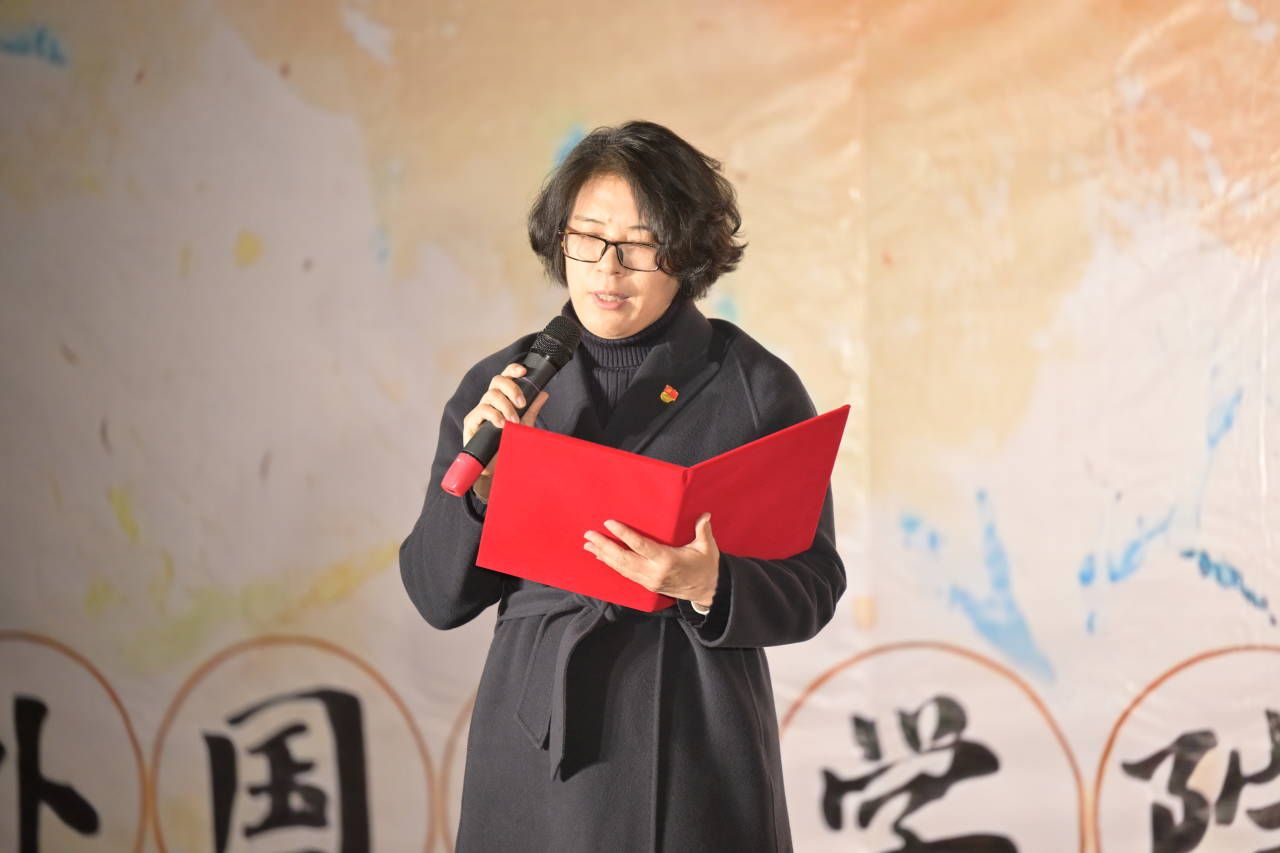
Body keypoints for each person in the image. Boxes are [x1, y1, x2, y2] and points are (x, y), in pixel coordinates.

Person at [399, 120, 845, 852]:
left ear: (687, 251)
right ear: (560, 241)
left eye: (639, 243)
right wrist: (481, 494)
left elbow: (815, 583)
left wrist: (709, 583)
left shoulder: (755, 387)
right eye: (588, 238)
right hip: (538, 751)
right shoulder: (502, 387)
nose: (608, 269)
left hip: (696, 740)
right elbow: (434, 595)